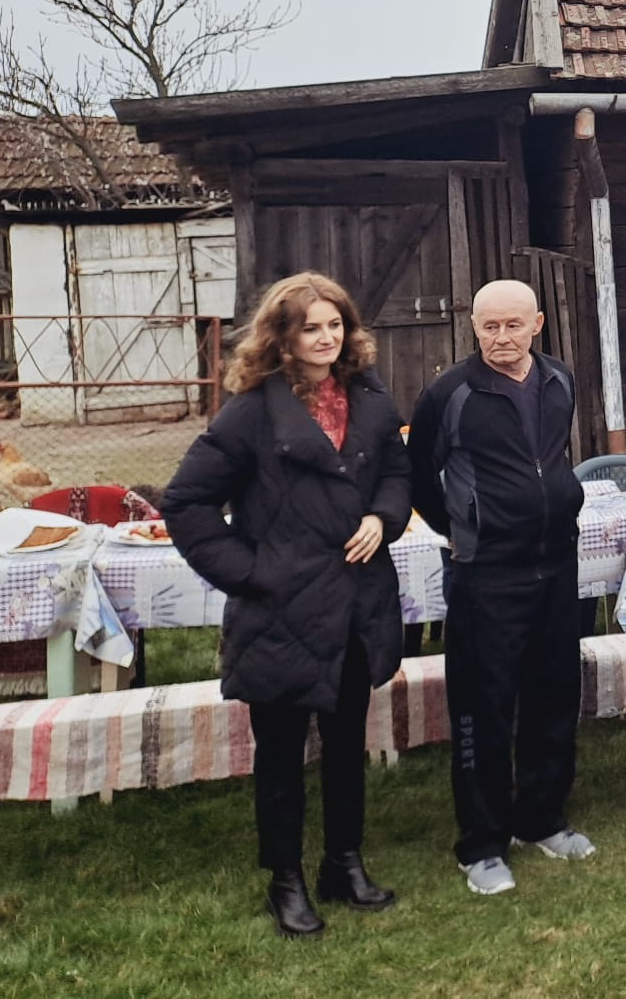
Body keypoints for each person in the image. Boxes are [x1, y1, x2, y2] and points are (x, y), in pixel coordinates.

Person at [163, 272, 410, 938]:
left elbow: (396, 470)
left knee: (346, 744)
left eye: (334, 324)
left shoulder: (368, 395)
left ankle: (344, 864)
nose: (326, 338)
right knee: (280, 757)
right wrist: (251, 573)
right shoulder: (252, 411)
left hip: (355, 606)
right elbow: (185, 503)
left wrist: (383, 517)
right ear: (282, 336)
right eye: (310, 328)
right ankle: (286, 882)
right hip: (282, 614)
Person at [409, 279, 593, 896]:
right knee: (483, 708)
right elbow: (419, 476)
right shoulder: (450, 393)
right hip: (485, 574)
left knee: (553, 695)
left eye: (514, 325)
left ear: (537, 324)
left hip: (556, 564)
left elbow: (552, 459)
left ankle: (542, 819)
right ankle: (482, 844)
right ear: (474, 327)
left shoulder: (559, 380)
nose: (502, 338)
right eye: (490, 326)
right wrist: (463, 529)